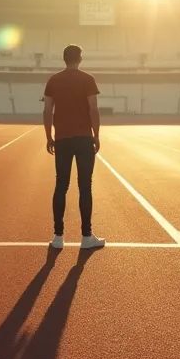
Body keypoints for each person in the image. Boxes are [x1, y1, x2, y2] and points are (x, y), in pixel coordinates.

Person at [42, 44, 105, 250]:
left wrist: (49, 136)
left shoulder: (53, 80)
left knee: (61, 185)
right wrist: (96, 135)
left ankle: (58, 236)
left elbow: (48, 109)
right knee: (85, 186)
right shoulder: (88, 79)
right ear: (80, 58)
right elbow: (93, 109)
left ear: (63, 58)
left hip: (62, 139)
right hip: (84, 138)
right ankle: (87, 236)